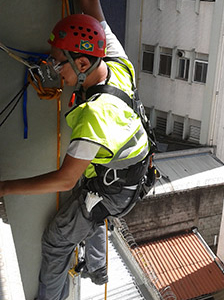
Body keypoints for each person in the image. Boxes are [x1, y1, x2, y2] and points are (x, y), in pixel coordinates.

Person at [0, 0, 151, 299]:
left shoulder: (94, 117)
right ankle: (98, 268)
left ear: (82, 64)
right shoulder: (115, 61)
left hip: (114, 190)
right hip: (127, 170)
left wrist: (3, 188)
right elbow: (91, 6)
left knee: (59, 239)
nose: (52, 68)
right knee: (89, 208)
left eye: (58, 62)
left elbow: (64, 180)